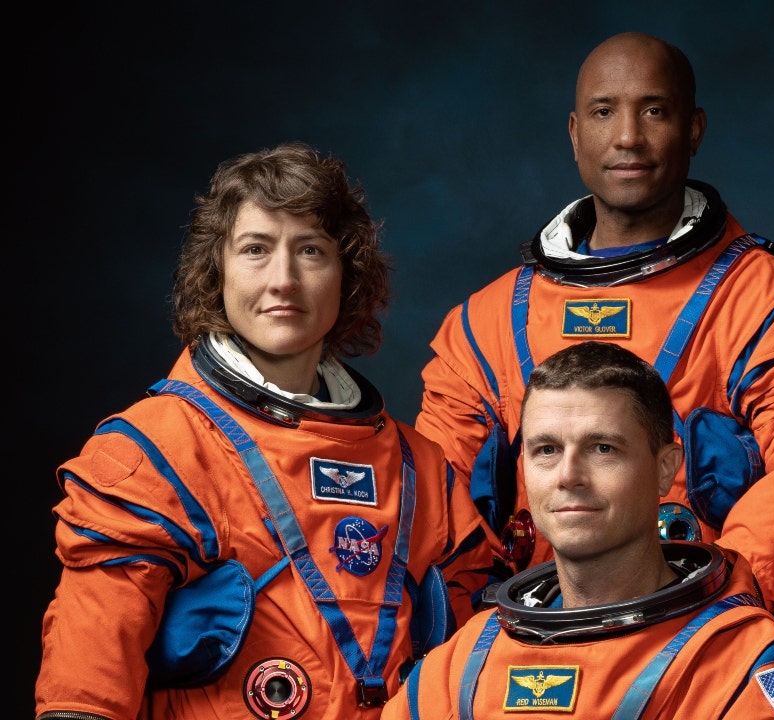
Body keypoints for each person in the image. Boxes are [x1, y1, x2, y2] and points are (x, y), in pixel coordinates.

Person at [35, 141, 498, 720]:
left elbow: (474, 675)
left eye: (311, 250)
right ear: (217, 272)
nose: (284, 280)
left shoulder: (420, 469)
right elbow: (85, 693)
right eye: (255, 249)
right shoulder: (154, 453)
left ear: (347, 276)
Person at [416, 31, 774, 616]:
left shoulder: (769, 306)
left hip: (697, 637)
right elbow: (437, 501)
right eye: (604, 112)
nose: (627, 136)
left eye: (654, 111)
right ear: (576, 133)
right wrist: (484, 633)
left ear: (693, 130)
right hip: (527, 639)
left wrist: (704, 609)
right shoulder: (487, 323)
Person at [386, 341, 774, 719]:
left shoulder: (744, 670)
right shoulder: (461, 668)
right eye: (547, 450)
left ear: (664, 468)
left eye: (603, 449)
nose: (569, 476)